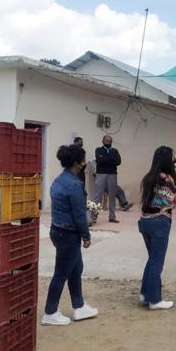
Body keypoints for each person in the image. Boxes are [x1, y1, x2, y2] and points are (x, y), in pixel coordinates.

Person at [42, 144, 98, 326]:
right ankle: (50, 312)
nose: (85, 163)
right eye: (83, 159)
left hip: (57, 230)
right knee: (61, 274)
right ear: (78, 163)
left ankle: (79, 307)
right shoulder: (74, 185)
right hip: (68, 234)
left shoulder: (59, 180)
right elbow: (79, 214)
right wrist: (86, 235)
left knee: (76, 269)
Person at [139, 146, 176, 310]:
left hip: (145, 221)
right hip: (159, 222)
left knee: (152, 260)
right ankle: (154, 300)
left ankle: (145, 294)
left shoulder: (150, 177)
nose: (174, 161)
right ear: (167, 161)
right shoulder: (166, 179)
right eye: (173, 158)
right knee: (157, 262)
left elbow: (171, 194)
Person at [91, 135, 121, 223]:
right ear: (102, 141)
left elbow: (118, 162)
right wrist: (111, 159)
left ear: (111, 142)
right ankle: (92, 217)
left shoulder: (115, 151)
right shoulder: (98, 150)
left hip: (112, 175)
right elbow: (99, 160)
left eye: (110, 140)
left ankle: (112, 217)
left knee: (112, 196)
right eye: (106, 140)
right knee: (97, 196)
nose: (108, 142)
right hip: (101, 174)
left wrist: (105, 159)